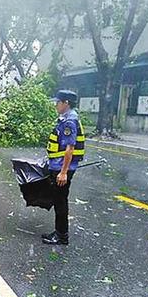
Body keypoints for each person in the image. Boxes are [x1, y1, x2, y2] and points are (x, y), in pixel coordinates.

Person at [42, 90, 85, 245]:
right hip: (58, 165)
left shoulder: (69, 121)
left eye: (58, 102)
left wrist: (63, 172)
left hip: (62, 168)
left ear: (66, 103)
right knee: (58, 199)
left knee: (60, 201)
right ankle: (59, 232)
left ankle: (61, 236)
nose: (56, 105)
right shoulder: (66, 118)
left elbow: (70, 149)